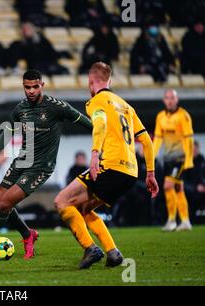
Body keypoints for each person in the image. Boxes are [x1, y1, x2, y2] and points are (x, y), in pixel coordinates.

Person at [0, 69, 93, 259]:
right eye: (27, 87)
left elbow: (85, 121)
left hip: (41, 167)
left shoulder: (56, 107)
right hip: (22, 161)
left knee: (4, 205)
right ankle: (28, 235)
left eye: (35, 86)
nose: (31, 91)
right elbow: (7, 133)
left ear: (42, 85)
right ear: (23, 86)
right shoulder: (20, 109)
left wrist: (104, 136)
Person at [54, 62, 159, 269]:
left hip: (110, 166)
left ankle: (90, 248)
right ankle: (113, 252)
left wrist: (94, 156)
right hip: (130, 172)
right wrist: (151, 173)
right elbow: (146, 140)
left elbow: (100, 125)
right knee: (83, 209)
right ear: (109, 80)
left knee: (62, 201)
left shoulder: (96, 100)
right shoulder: (126, 106)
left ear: (91, 82)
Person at [154, 89, 194, 231]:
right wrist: (152, 154)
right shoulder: (160, 117)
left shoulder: (184, 116)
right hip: (168, 159)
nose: (170, 100)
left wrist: (189, 159)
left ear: (176, 100)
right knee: (178, 188)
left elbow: (189, 139)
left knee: (167, 186)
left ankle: (171, 221)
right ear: (164, 100)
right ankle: (185, 221)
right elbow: (158, 137)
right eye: (167, 98)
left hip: (180, 158)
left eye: (172, 98)